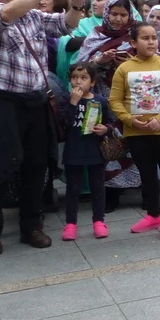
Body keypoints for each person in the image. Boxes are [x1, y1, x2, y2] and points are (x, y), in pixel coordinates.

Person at [0, 0, 88, 256]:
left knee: (36, 166)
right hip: (2, 102)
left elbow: (65, 25)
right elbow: (6, 14)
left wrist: (75, 5)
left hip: (35, 102)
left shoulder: (33, 15)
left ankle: (31, 226)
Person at [109, 21, 160, 238]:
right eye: (145, 38)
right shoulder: (124, 69)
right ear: (133, 42)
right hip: (136, 133)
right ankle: (154, 214)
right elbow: (114, 100)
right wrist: (129, 120)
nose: (151, 42)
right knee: (147, 175)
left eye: (154, 37)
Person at [59, 63, 114, 241]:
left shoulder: (100, 101)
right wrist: (73, 103)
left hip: (95, 151)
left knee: (98, 188)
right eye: (74, 78)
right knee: (73, 189)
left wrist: (105, 129)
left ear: (92, 82)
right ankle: (70, 224)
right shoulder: (66, 99)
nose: (78, 82)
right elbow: (64, 124)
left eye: (83, 78)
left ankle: (99, 221)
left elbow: (111, 123)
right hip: (73, 151)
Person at [78, 0, 136, 97]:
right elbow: (80, 67)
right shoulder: (97, 34)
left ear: (130, 15)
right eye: (114, 14)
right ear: (106, 13)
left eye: (123, 15)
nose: (118, 19)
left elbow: (151, 61)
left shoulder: (136, 34)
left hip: (132, 92)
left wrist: (132, 63)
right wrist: (100, 61)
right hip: (99, 93)